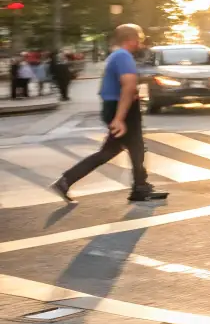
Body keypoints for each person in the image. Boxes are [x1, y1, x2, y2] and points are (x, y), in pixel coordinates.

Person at [49, 24, 166, 204]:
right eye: (139, 39)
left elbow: (127, 85)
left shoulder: (119, 56)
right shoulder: (123, 56)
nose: (141, 43)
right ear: (130, 39)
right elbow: (127, 86)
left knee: (126, 148)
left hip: (117, 106)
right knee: (128, 148)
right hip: (121, 108)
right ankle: (139, 188)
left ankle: (139, 186)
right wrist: (119, 118)